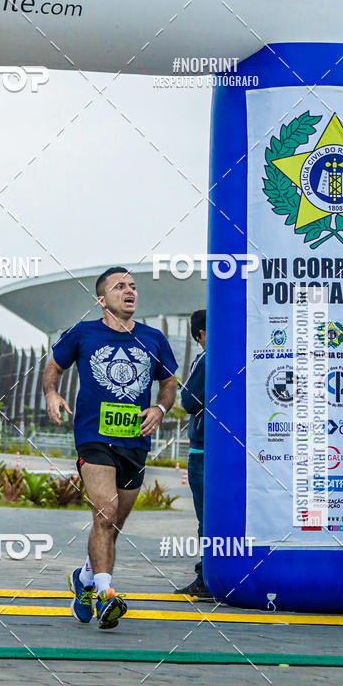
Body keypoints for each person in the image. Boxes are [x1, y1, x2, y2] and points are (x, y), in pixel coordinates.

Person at [43, 267, 177, 630]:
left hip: (135, 442)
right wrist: (51, 393)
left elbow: (169, 382)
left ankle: (84, 579)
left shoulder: (153, 338)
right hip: (93, 436)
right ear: (102, 300)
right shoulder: (83, 333)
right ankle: (106, 594)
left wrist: (160, 408)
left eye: (133, 286)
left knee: (113, 524)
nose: (129, 291)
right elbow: (53, 366)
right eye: (120, 287)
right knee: (104, 512)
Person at [174, 309, 213, 598]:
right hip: (229, 449)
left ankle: (206, 577)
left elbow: (189, 400)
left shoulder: (205, 357)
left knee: (206, 516)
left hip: (202, 449)